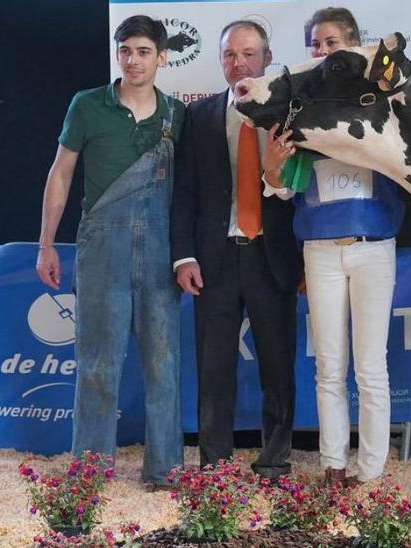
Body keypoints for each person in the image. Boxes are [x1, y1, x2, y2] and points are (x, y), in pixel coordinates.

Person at [36, 15, 184, 490]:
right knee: (98, 363)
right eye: (126, 50)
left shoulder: (176, 114)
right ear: (117, 55)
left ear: (162, 57)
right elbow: (60, 175)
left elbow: (189, 191)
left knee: (163, 364)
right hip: (102, 246)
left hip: (161, 250)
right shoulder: (87, 106)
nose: (134, 60)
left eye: (144, 51)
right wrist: (46, 244)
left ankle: (164, 472)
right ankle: (89, 474)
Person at [261, 6, 403, 488]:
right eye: (315, 46)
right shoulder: (301, 111)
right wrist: (273, 168)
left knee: (370, 366)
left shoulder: (381, 105)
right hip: (319, 250)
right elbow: (284, 189)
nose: (322, 53)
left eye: (331, 44)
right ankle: (333, 464)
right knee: (329, 366)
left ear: (354, 45)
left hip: (373, 247)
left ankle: (372, 469)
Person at [170, 20, 302, 481]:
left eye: (248, 53)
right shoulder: (202, 115)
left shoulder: (289, 113)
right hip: (214, 259)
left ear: (267, 58)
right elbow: (184, 191)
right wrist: (183, 256)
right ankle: (214, 464)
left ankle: (275, 460)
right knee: (214, 366)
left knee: (278, 364)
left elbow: (300, 190)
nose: (238, 62)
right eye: (229, 54)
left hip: (273, 255)